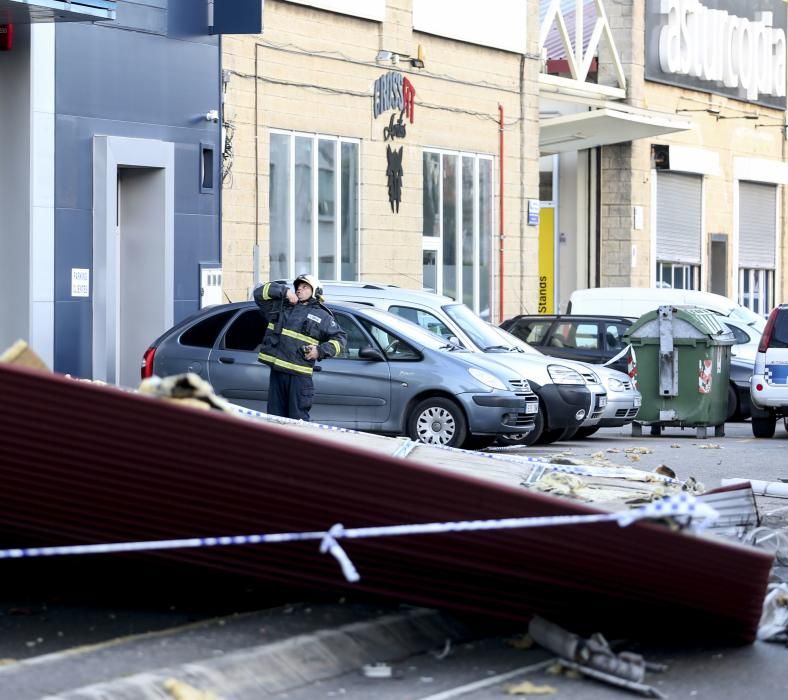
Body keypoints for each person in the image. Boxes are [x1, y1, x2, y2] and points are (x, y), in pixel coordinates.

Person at [253, 274, 346, 420]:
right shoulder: (282, 307)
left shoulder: (323, 316)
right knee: (275, 420)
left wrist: (319, 351)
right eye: (297, 287)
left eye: (305, 287)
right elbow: (259, 293)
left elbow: (340, 340)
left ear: (315, 291)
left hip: (299, 378)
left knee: (297, 422)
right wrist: (284, 291)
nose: (299, 290)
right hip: (278, 373)